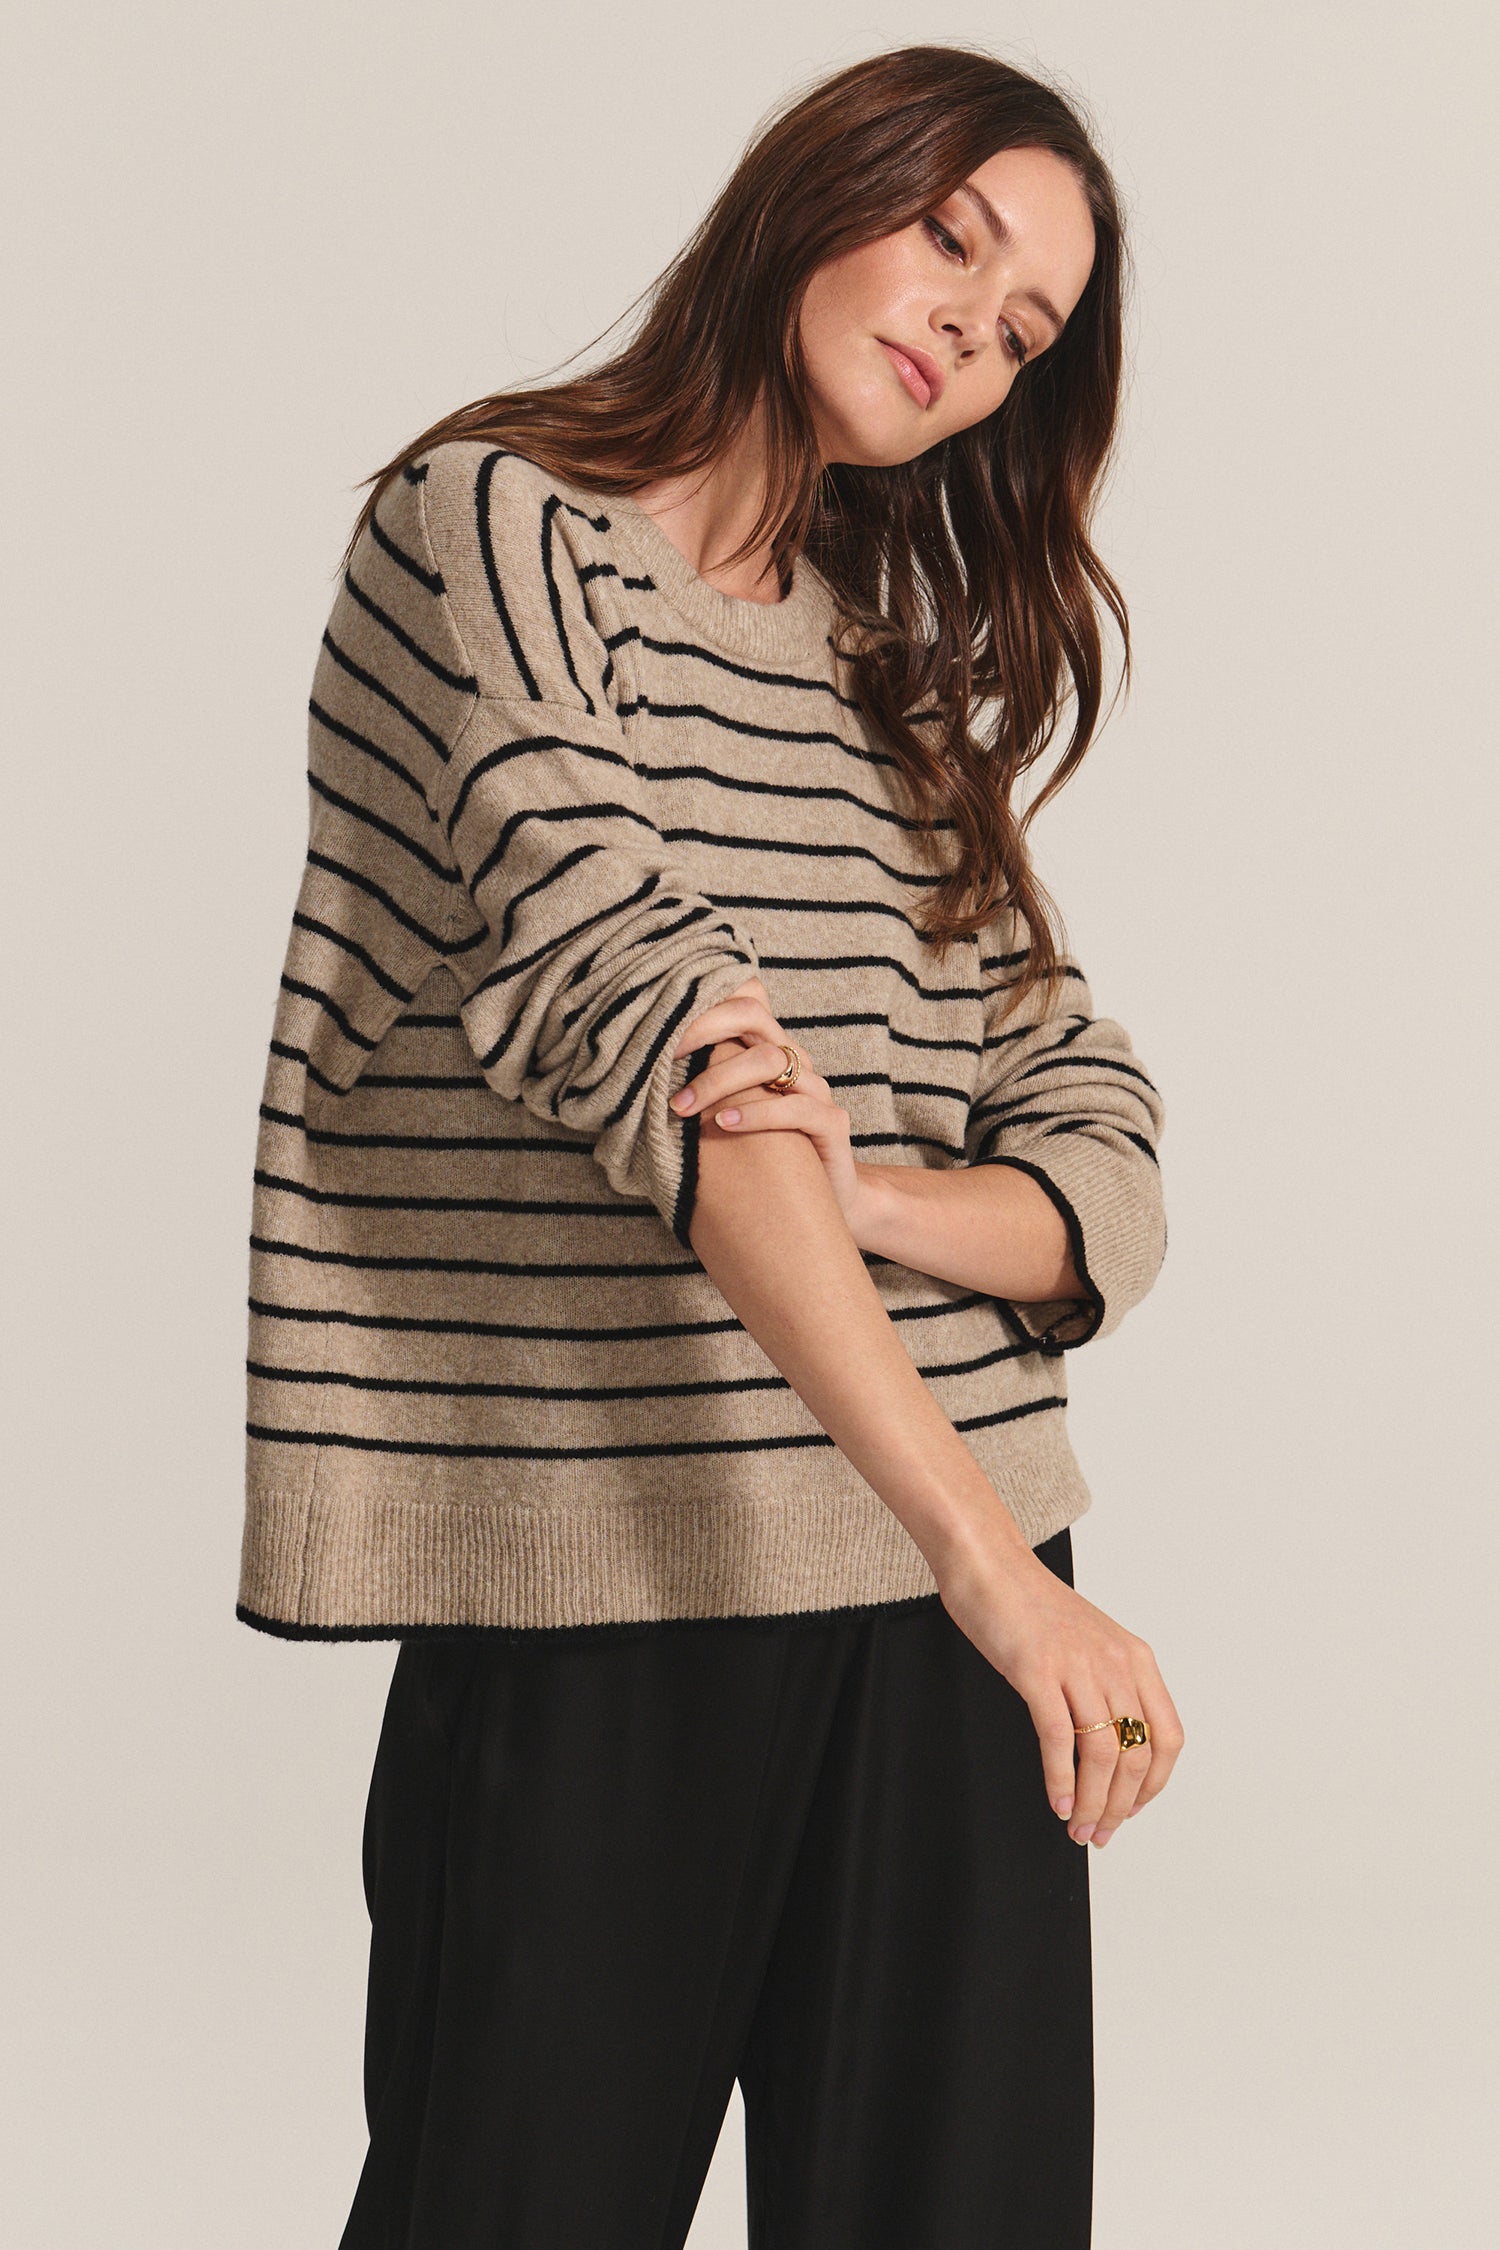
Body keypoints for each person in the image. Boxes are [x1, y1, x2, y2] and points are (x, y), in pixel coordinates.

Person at [238, 40, 1184, 2249]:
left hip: (957, 1599)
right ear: (824, 187)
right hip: (617, 1559)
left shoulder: (889, 685)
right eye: (953, 237)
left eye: (1021, 328)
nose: (969, 328)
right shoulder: (490, 531)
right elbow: (665, 1032)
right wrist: (994, 1572)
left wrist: (856, 1191)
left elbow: (1098, 1143)